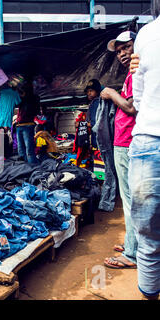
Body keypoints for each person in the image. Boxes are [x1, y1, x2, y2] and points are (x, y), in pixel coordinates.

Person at [127, 1, 160, 300]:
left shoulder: (147, 35)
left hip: (149, 138)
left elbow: (136, 101)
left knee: (149, 238)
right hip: (146, 141)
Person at [100, 31, 138, 270]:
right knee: (130, 199)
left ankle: (133, 254)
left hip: (128, 143)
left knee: (131, 199)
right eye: (119, 51)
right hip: (124, 142)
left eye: (127, 47)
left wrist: (111, 93)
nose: (123, 53)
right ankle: (133, 244)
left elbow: (131, 108)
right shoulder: (131, 74)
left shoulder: (138, 72)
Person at [14, 81, 40, 164]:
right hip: (20, 126)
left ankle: (32, 167)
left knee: (29, 149)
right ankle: (25, 167)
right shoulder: (22, 99)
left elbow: (35, 111)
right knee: (21, 149)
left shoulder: (33, 98)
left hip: (27, 125)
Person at [84, 79, 102, 149]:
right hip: (98, 140)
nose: (89, 93)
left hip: (98, 141)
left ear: (97, 91)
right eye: (87, 91)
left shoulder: (96, 103)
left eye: (91, 91)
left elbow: (94, 123)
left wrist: (80, 124)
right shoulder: (95, 102)